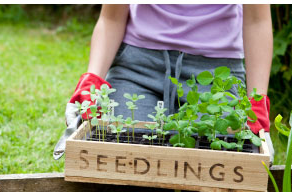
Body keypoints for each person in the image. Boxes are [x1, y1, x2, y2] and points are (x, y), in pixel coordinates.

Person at [54, 4, 274, 162]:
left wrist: (256, 103)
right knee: (119, 157)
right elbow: (111, 18)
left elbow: (257, 21)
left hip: (216, 78)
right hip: (138, 68)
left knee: (219, 165)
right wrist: (92, 81)